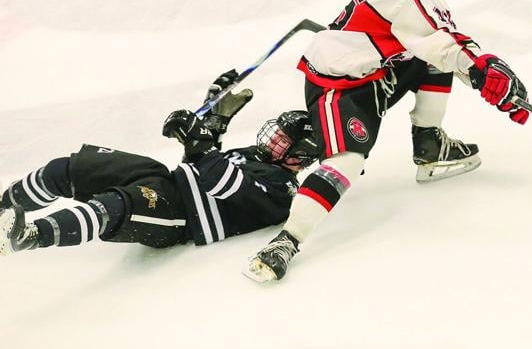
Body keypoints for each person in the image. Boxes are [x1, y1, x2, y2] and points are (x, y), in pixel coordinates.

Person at [244, 0, 530, 282]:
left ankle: (429, 142)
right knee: (345, 163)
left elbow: (439, 48)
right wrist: (483, 71)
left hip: (379, 70)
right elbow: (441, 41)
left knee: (435, 58)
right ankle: (286, 241)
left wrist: (480, 76)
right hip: (341, 86)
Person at [0, 71, 319, 255]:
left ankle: (28, 235)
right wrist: (215, 119)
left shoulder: (284, 191)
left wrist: (200, 139)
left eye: (282, 139)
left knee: (111, 206)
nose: (272, 138)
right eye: (276, 131)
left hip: (179, 216)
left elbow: (220, 181)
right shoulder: (256, 155)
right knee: (67, 169)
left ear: (300, 155)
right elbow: (204, 165)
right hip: (165, 179)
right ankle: (3, 208)